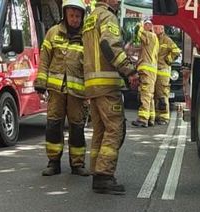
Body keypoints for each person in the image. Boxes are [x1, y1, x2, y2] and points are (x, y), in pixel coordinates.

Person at [82, 0, 137, 194]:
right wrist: (129, 71)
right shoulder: (108, 16)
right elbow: (109, 44)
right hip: (106, 85)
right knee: (115, 129)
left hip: (92, 85)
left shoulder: (90, 18)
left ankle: (97, 172)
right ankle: (104, 175)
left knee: (100, 130)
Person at [35, 0, 89, 176]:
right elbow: (44, 60)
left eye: (78, 16)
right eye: (72, 15)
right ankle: (53, 162)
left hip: (77, 93)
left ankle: (77, 164)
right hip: (56, 91)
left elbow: (90, 66)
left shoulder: (86, 37)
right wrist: (41, 84)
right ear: (65, 14)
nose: (75, 19)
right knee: (53, 125)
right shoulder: (53, 33)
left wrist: (91, 91)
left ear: (82, 17)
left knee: (77, 128)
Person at [132, 20, 159, 128]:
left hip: (147, 70)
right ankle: (151, 118)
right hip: (152, 70)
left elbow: (138, 32)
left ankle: (143, 119)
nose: (144, 26)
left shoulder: (149, 35)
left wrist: (139, 24)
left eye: (146, 25)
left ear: (149, 26)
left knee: (145, 94)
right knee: (150, 95)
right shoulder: (154, 38)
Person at [153, 25, 180, 126]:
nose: (154, 30)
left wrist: (168, 60)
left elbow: (176, 51)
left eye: (156, 28)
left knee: (162, 95)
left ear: (162, 29)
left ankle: (164, 116)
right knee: (154, 94)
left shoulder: (167, 40)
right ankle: (156, 115)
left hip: (163, 71)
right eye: (154, 28)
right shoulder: (153, 38)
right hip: (154, 70)